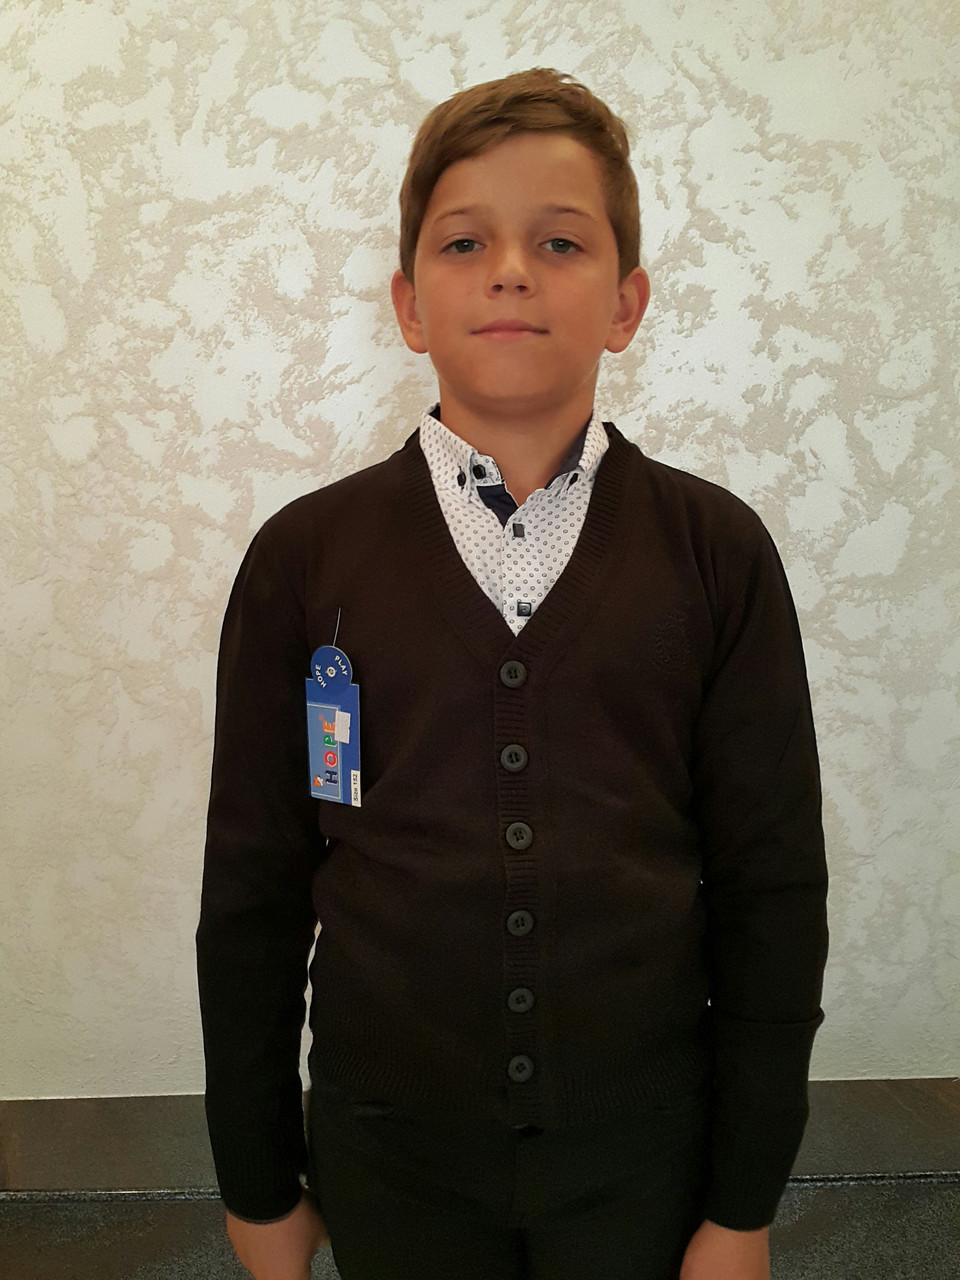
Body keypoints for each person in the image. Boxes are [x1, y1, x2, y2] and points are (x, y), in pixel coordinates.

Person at [196, 67, 829, 1280]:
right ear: (409, 305)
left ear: (627, 303)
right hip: (389, 1155)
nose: (510, 272)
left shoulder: (717, 552)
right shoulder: (305, 558)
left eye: (560, 241)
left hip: (647, 1156)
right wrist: (256, 1179)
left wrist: (744, 1202)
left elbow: (773, 888)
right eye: (464, 242)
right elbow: (252, 894)